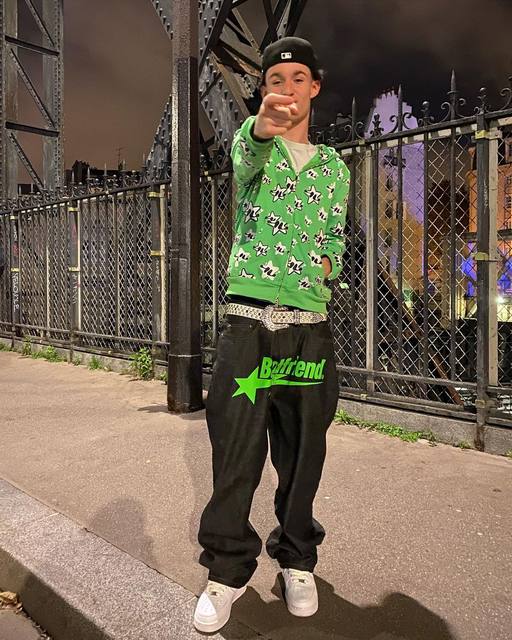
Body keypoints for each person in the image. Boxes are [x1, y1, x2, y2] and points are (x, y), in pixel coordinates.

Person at [194, 36, 351, 634]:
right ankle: (226, 570)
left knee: (303, 454)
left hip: (309, 329)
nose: (286, 89)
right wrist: (262, 126)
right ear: (263, 90)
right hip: (249, 325)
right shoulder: (251, 146)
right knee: (236, 452)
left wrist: (326, 265)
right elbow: (249, 149)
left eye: (297, 78)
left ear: (315, 86)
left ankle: (297, 560)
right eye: (275, 79)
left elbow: (335, 234)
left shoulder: (335, 168)